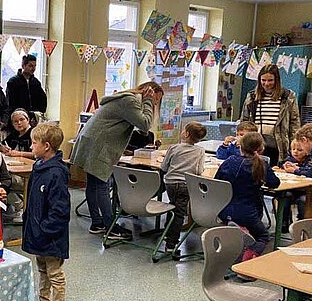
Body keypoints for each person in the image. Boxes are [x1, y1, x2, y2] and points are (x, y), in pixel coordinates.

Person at [71, 81, 163, 240]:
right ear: (149, 91)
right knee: (101, 184)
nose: (155, 103)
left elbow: (140, 130)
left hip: (92, 140)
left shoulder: (126, 99)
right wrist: (148, 102)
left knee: (93, 183)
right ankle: (110, 227)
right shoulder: (131, 100)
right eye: (156, 99)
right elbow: (145, 124)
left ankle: (97, 223)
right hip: (99, 143)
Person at [21, 123, 70, 301]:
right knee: (42, 269)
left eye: (34, 142)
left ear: (47, 146)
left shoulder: (57, 173)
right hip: (38, 232)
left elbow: (60, 209)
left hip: (51, 236)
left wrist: (45, 229)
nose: (31, 146)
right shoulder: (38, 166)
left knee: (55, 273)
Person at [215, 132, 280, 262]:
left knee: (247, 226)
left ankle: (238, 232)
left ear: (240, 147)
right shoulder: (262, 165)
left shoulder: (230, 161)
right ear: (261, 149)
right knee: (263, 236)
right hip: (247, 212)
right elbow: (275, 183)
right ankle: (246, 259)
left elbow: (217, 181)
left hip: (224, 209)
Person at [160, 122, 207, 253]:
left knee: (173, 207)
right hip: (186, 185)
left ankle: (169, 238)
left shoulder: (173, 148)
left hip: (170, 184)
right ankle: (171, 242)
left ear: (186, 133)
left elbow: (164, 167)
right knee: (179, 212)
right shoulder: (200, 151)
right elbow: (198, 171)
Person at [240, 64, 300, 166]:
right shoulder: (252, 96)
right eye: (263, 80)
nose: (266, 83)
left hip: (278, 145)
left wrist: (294, 144)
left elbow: (294, 122)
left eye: (270, 80)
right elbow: (244, 121)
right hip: (255, 144)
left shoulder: (288, 96)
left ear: (277, 80)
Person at [5, 54, 47, 119]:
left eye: (34, 66)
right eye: (30, 66)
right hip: (18, 117)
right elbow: (10, 103)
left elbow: (43, 99)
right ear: (23, 66)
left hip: (33, 118)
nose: (33, 69)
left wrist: (39, 112)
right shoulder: (13, 82)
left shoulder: (36, 82)